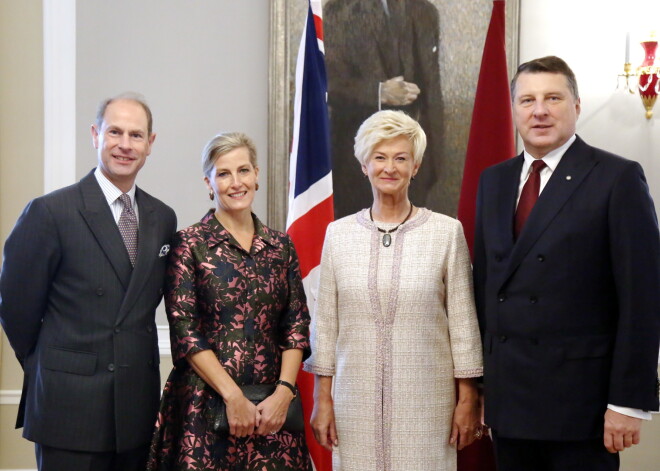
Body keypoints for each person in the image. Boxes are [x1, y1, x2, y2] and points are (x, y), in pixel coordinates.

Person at [473, 56, 660, 471]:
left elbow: (642, 299)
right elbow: (485, 287)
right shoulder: (495, 180)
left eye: (553, 98)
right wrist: (485, 388)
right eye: (527, 100)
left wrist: (629, 401)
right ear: (514, 109)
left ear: (576, 106)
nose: (539, 110)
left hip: (583, 408)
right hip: (511, 404)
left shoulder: (617, 177)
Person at [0, 93, 177, 471]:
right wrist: (53, 366)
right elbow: (16, 311)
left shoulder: (163, 217)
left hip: (136, 409)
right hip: (69, 408)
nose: (125, 145)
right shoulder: (50, 212)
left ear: (150, 143)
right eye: (115, 132)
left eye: (136, 135)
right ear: (96, 135)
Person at [305, 110, 483, 470]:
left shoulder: (446, 233)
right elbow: (325, 325)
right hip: (354, 400)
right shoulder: (338, 235)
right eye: (380, 157)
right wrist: (322, 399)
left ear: (415, 166)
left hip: (428, 402)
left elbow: (463, 325)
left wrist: (468, 399)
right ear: (364, 165)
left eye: (401, 158)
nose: (390, 168)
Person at [148, 132, 312, 471]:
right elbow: (185, 331)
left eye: (243, 170)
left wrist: (284, 393)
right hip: (205, 409)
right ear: (209, 182)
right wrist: (233, 397)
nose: (235, 182)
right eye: (223, 173)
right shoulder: (189, 244)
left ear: (257, 175)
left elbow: (296, 326)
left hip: (272, 411)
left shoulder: (281, 247)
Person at [324, 0, 443, 218]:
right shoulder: (340, 9)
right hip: (356, 163)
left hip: (415, 162)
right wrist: (378, 92)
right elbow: (328, 83)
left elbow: (433, 90)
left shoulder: (426, 11)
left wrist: (434, 158)